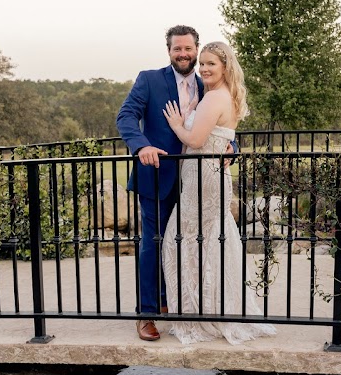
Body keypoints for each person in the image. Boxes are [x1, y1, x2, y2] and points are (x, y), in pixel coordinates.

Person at [161, 42, 276, 345]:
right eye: (202, 64)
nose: (204, 69)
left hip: (203, 179)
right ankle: (211, 308)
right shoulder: (228, 96)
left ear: (225, 66)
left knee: (184, 241)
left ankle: (201, 313)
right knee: (209, 241)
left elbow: (196, 139)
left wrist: (176, 125)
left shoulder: (214, 97)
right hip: (211, 177)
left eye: (211, 63)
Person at [117, 25, 204, 341]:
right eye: (177, 49)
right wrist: (141, 146)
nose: (183, 54)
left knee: (190, 243)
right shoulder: (149, 80)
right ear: (169, 51)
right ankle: (147, 313)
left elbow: (223, 124)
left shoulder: (209, 84)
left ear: (197, 49)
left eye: (188, 48)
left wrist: (231, 148)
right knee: (153, 243)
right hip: (156, 176)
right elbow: (126, 116)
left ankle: (174, 302)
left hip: (197, 180)